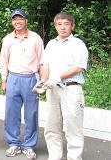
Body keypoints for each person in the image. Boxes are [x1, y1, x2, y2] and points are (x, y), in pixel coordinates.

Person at [42, 12, 88, 160]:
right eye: (59, 24)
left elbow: (79, 67)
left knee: (72, 128)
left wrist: (57, 77)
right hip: (52, 89)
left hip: (71, 89)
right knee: (51, 127)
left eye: (66, 24)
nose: (62, 27)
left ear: (72, 26)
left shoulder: (78, 44)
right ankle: (54, 157)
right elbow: (45, 64)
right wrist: (43, 81)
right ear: (55, 26)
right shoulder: (51, 44)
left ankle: (74, 158)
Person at [0, 9, 44, 159]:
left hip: (31, 79)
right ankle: (14, 144)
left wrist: (42, 82)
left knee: (31, 114)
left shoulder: (36, 38)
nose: (17, 22)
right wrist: (4, 80)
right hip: (13, 78)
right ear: (12, 22)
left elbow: (42, 61)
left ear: (26, 21)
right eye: (14, 19)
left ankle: (29, 146)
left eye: (20, 19)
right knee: (11, 113)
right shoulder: (7, 39)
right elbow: (3, 60)